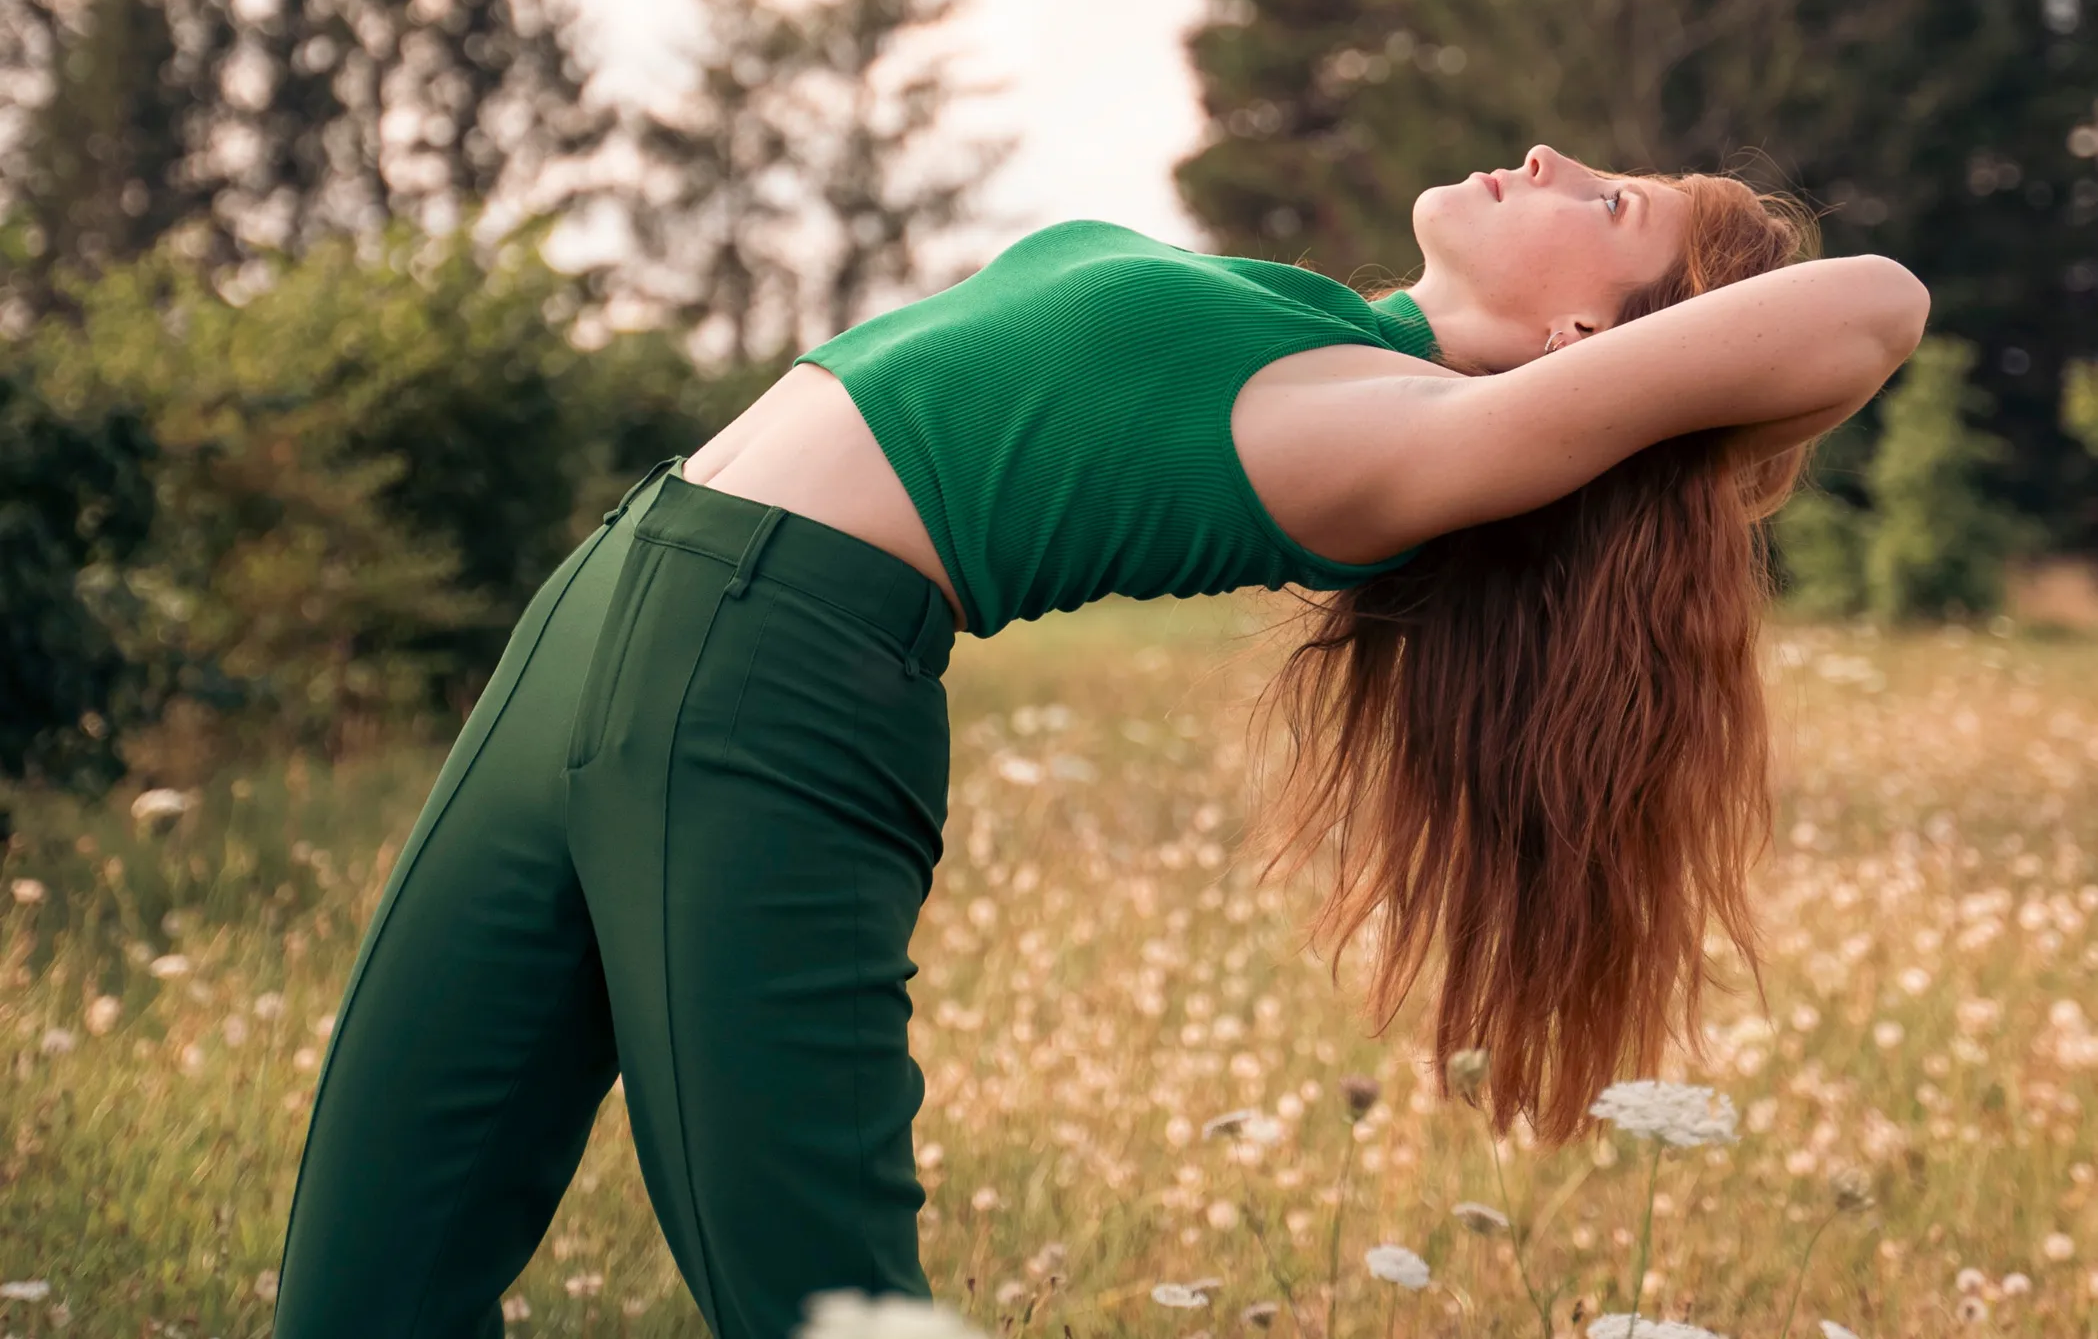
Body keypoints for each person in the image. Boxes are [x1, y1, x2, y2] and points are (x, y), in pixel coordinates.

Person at [271, 144, 1928, 1339]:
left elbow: (1871, 303)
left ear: (1598, 345)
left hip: (755, 691)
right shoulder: (1319, 330)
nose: (1552, 157)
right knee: (366, 1286)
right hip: (596, 617)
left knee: (819, 1304)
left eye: (1612, 203)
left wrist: (1653, 361)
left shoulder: (1413, 438)